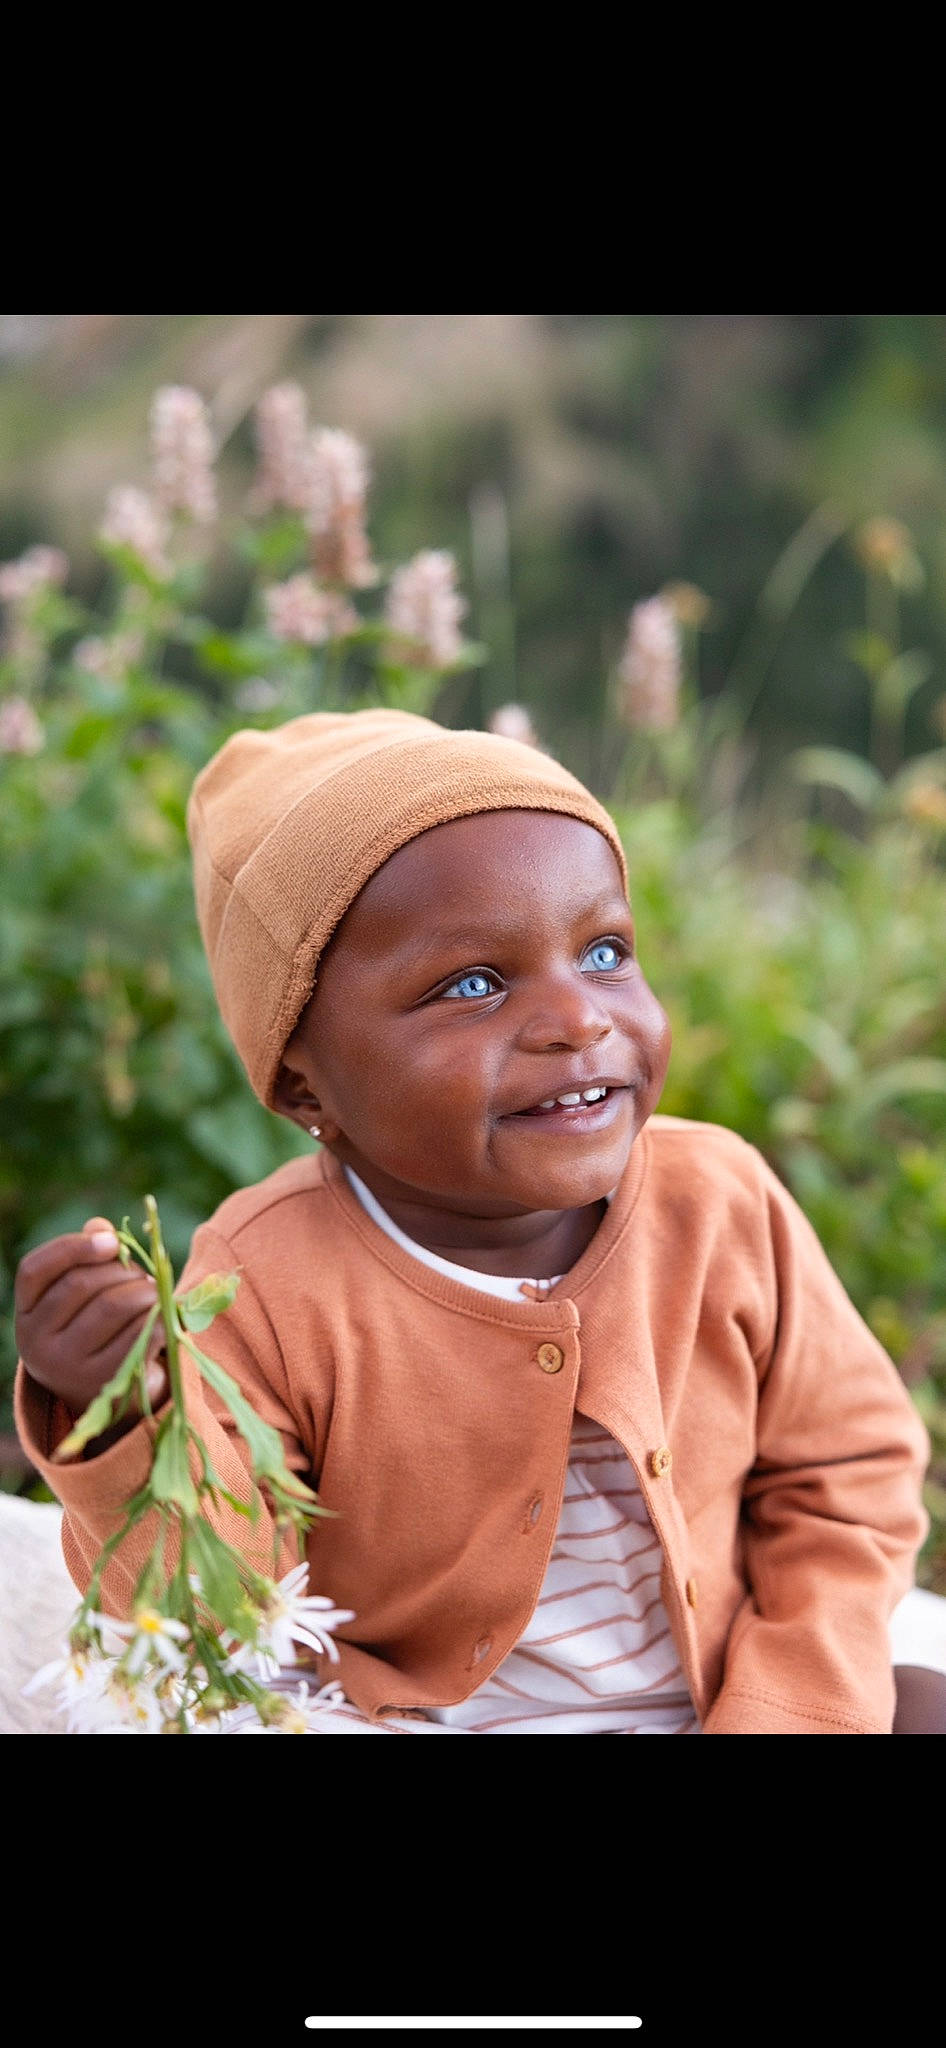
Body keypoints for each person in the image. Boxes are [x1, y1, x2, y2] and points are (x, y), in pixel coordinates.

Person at [12, 708, 946, 1734]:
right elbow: (219, 1601)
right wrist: (133, 1406)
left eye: (603, 952)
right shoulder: (268, 1278)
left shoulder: (718, 1200)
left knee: (917, 1699)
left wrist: (788, 1704)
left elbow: (846, 1474)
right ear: (303, 1079)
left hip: (720, 1698)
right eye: (474, 983)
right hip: (413, 1718)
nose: (580, 1018)